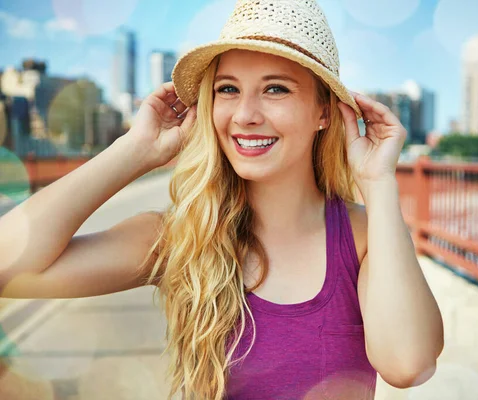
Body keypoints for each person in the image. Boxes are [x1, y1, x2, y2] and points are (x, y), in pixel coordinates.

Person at [0, 0, 444, 398]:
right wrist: (133, 153)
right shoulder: (179, 236)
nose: (246, 115)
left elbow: (407, 365)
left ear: (323, 111)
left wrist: (379, 183)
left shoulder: (363, 238)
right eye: (227, 89)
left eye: (276, 89)